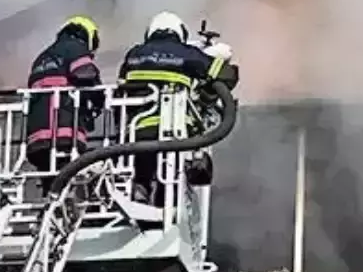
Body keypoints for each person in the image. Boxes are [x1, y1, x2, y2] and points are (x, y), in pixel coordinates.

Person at [116, 11, 238, 205]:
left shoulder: (134, 54)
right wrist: (208, 95)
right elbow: (226, 75)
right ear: (180, 32)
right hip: (176, 129)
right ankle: (166, 202)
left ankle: (141, 187)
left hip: (138, 129)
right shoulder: (188, 54)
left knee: (143, 163)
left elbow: (120, 88)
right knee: (172, 174)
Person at [25, 16, 105, 191]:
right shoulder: (75, 48)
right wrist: (100, 99)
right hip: (63, 133)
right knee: (73, 182)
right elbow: (86, 74)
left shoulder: (42, 58)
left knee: (52, 188)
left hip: (37, 140)